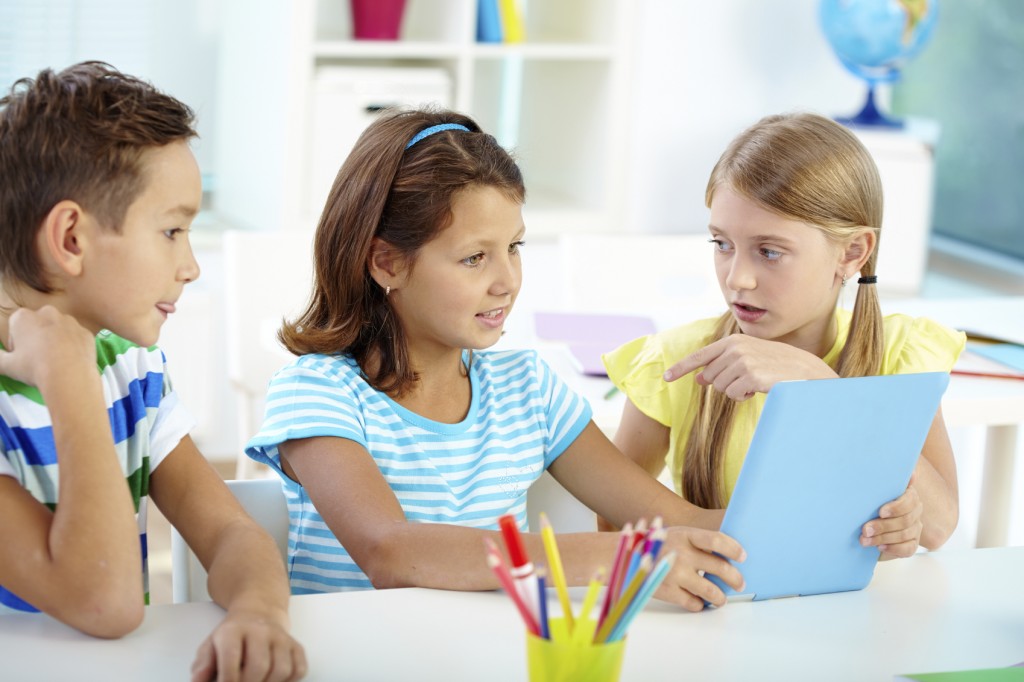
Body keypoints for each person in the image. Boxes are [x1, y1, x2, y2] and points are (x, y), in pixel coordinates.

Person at [245, 107, 746, 612]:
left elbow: (675, 518)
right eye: (474, 257)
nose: (506, 280)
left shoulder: (528, 389)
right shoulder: (317, 392)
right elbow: (389, 550)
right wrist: (620, 557)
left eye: (514, 247)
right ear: (387, 263)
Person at [0, 62, 306, 681]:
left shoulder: (129, 367)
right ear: (71, 238)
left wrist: (259, 612)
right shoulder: (75, 375)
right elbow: (103, 602)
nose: (190, 266)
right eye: (172, 230)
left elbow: (230, 534)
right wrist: (67, 376)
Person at [602, 112, 964, 559]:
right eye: (722, 244)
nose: (738, 279)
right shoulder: (676, 362)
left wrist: (823, 386)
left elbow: (940, 524)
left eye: (769, 252)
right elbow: (611, 520)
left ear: (852, 253)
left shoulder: (901, 356)